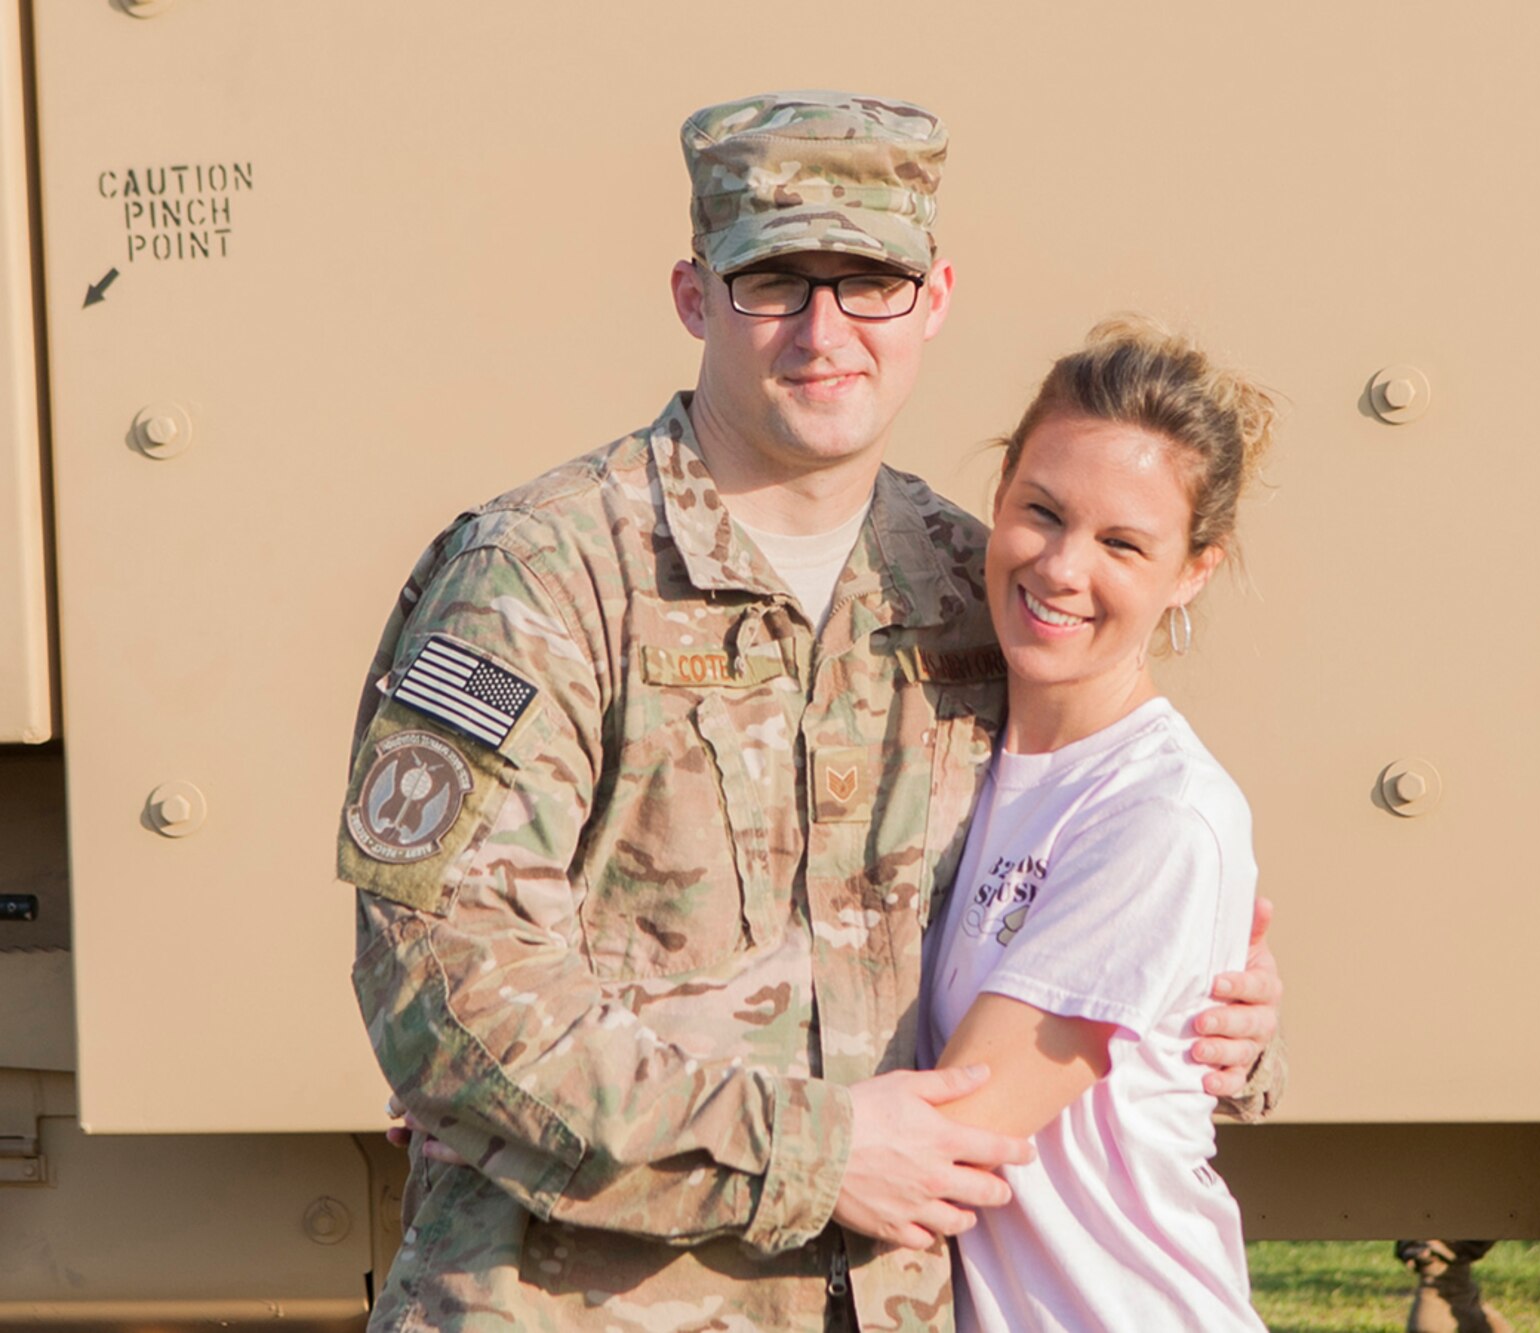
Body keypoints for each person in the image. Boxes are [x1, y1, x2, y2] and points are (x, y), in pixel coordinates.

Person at [338, 90, 1282, 1332]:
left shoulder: (967, 588)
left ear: (934, 298)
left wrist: (1225, 1015)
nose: (823, 329)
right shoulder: (541, 577)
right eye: (774, 281)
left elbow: (1101, 858)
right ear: (693, 295)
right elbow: (445, 994)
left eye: (870, 281)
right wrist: (814, 1152)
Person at [917, 319, 1274, 1332]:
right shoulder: (954, 762)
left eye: (1123, 543)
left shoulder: (1161, 813)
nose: (1064, 568)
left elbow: (956, 1130)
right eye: (1042, 514)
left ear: (1193, 569)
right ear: (997, 501)